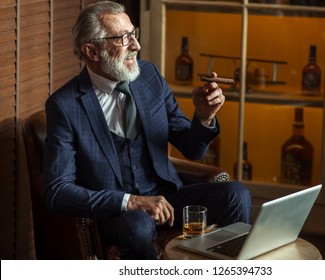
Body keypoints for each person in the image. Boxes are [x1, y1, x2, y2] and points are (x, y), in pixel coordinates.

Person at [43, 0, 252, 260]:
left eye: (134, 34)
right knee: (138, 225)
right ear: (92, 51)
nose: (136, 46)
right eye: (123, 38)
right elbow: (57, 191)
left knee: (236, 194)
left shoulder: (149, 76)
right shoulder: (64, 105)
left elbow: (192, 149)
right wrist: (130, 201)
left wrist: (203, 117)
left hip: (168, 197)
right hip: (119, 214)